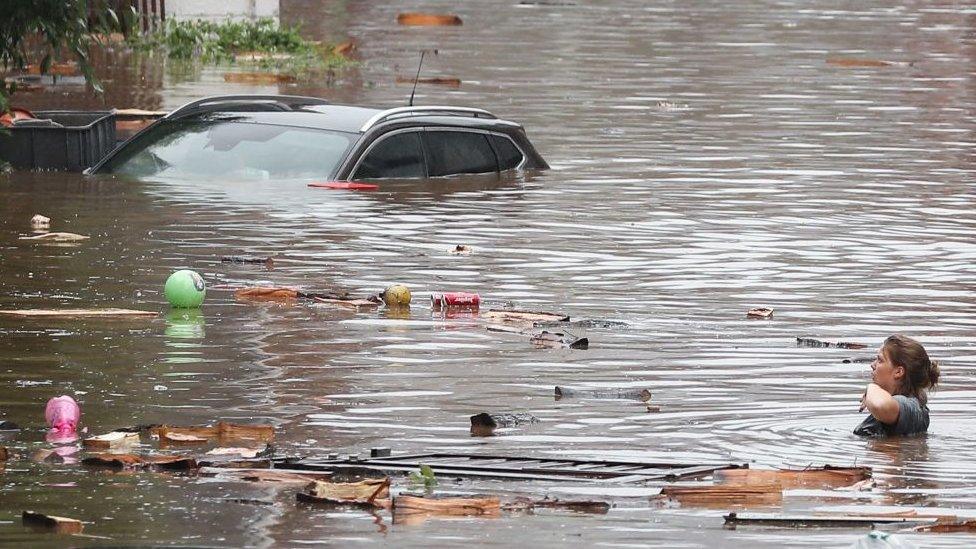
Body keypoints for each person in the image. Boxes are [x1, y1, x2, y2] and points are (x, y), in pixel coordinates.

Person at [855, 335, 939, 437]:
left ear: (898, 372)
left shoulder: (910, 406)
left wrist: (872, 388)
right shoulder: (915, 406)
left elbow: (880, 405)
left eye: (880, 360)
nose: (873, 365)